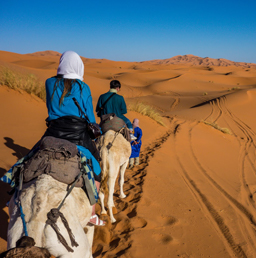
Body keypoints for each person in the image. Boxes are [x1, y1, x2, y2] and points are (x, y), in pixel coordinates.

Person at [44, 50, 105, 226]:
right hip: (78, 138)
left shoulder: (49, 83)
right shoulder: (83, 87)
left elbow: (50, 106)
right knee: (97, 169)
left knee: (29, 158)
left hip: (53, 133)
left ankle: (15, 194)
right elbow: (90, 118)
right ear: (79, 66)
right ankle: (92, 213)